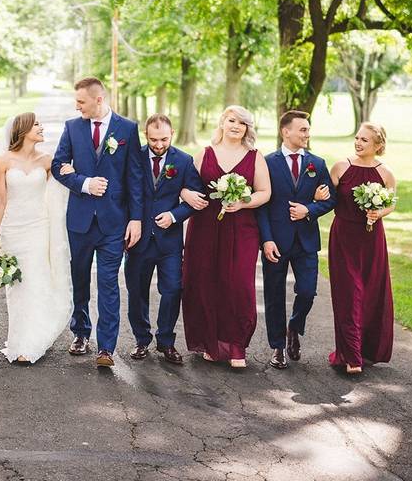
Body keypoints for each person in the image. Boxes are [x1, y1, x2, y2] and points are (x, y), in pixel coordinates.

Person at [51, 77, 144, 368]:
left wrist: (136, 219)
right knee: (79, 278)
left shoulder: (127, 129)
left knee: (108, 283)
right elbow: (57, 166)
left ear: (98, 100)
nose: (76, 106)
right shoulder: (72, 127)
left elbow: (135, 178)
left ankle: (106, 347)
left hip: (114, 222)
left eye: (81, 102)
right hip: (79, 220)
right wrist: (84, 182)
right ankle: (80, 332)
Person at [180, 106, 271, 368]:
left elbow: (264, 192)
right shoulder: (204, 154)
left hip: (241, 228)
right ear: (222, 122)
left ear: (247, 129)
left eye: (242, 123)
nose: (236, 126)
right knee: (205, 282)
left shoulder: (255, 157)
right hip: (205, 228)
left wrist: (243, 202)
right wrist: (186, 195)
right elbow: (185, 186)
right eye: (231, 120)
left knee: (239, 286)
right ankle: (210, 342)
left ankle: (236, 346)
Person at [0, 113, 72, 364]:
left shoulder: (47, 161)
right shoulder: (4, 161)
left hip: (39, 228)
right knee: (17, 288)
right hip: (14, 229)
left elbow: (56, 192)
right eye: (37, 124)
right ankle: (18, 341)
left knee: (35, 282)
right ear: (23, 129)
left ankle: (32, 343)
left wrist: (69, 172)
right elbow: (1, 200)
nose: (41, 128)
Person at [256, 110, 335, 369]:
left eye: (308, 129)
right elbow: (262, 206)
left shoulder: (318, 164)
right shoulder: (267, 163)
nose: (307, 134)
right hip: (276, 241)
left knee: (308, 291)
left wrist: (309, 210)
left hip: (306, 241)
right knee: (274, 295)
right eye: (302, 129)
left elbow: (332, 199)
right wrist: (266, 240)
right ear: (285, 131)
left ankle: (294, 326)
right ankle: (277, 347)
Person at [124, 114, 203, 365]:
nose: (159, 145)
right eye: (153, 139)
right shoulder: (134, 155)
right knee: (137, 292)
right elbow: (126, 193)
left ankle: (166, 341)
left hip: (169, 241)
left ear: (172, 133)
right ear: (145, 135)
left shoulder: (183, 160)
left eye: (164, 139)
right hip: (138, 239)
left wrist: (174, 214)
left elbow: (197, 200)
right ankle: (141, 340)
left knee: (172, 290)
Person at [326, 123, 396, 374]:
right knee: (349, 293)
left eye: (364, 140)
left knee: (370, 293)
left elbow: (391, 204)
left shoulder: (386, 173)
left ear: (378, 145)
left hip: (372, 239)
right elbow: (327, 198)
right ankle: (350, 355)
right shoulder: (340, 167)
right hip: (344, 237)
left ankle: (366, 350)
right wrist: (320, 196)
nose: (358, 142)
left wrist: (379, 212)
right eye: (357, 137)